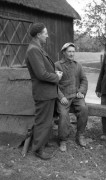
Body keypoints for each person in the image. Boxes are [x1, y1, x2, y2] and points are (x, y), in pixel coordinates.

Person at [25, 23, 62, 160]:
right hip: (43, 93)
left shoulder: (38, 48)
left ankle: (43, 143)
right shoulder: (33, 50)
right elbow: (40, 74)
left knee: (47, 120)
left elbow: (44, 69)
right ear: (38, 35)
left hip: (48, 92)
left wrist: (54, 72)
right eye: (45, 33)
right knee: (42, 121)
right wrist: (56, 77)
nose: (47, 35)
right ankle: (38, 150)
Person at [55, 42, 88, 152]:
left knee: (84, 109)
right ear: (64, 52)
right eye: (69, 51)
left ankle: (80, 135)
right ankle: (63, 140)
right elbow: (54, 83)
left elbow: (84, 80)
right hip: (64, 97)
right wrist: (61, 97)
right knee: (64, 115)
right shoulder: (57, 65)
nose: (71, 54)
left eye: (73, 51)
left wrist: (81, 91)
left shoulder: (77, 65)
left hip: (76, 96)